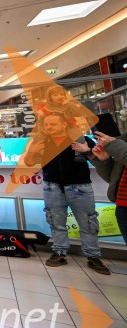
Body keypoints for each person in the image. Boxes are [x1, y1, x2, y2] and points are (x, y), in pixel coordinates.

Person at [23, 113, 110, 274]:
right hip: (52, 187)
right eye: (47, 125)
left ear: (64, 125)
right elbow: (28, 163)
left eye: (53, 124)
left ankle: (93, 257)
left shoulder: (81, 139)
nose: (49, 128)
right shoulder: (40, 141)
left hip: (80, 187)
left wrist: (87, 150)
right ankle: (59, 252)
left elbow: (101, 159)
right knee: (56, 222)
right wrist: (31, 152)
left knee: (88, 224)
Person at [88, 129, 127, 244]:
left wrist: (113, 143)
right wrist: (103, 161)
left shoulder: (119, 143)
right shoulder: (123, 140)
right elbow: (111, 179)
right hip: (122, 206)